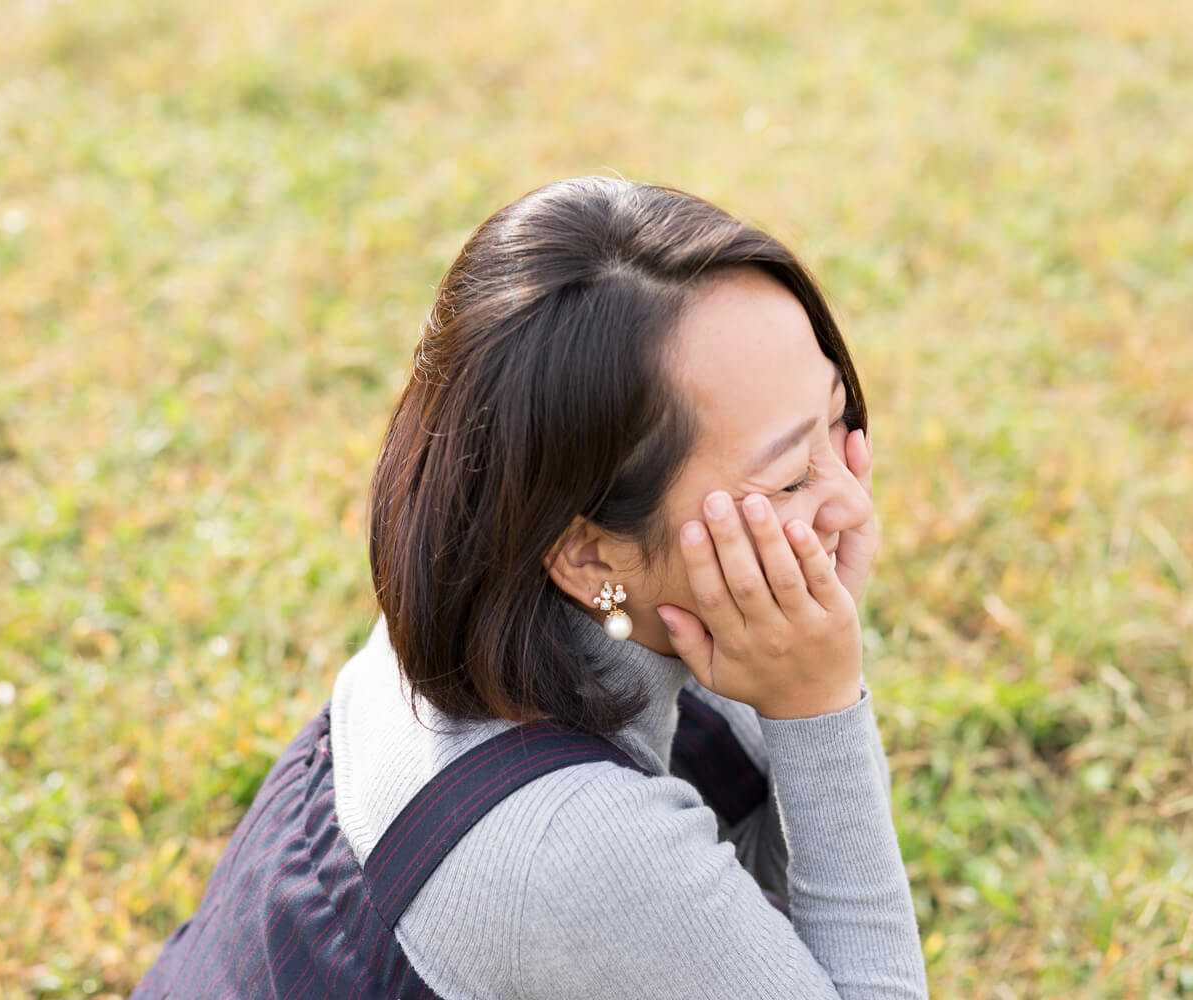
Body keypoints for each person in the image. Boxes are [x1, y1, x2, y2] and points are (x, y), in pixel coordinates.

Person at [132, 177, 928, 999]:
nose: (854, 500)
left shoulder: (508, 613)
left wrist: (797, 680)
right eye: (792, 477)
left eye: (838, 418)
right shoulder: (580, 847)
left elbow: (765, 897)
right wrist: (821, 711)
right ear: (588, 556)